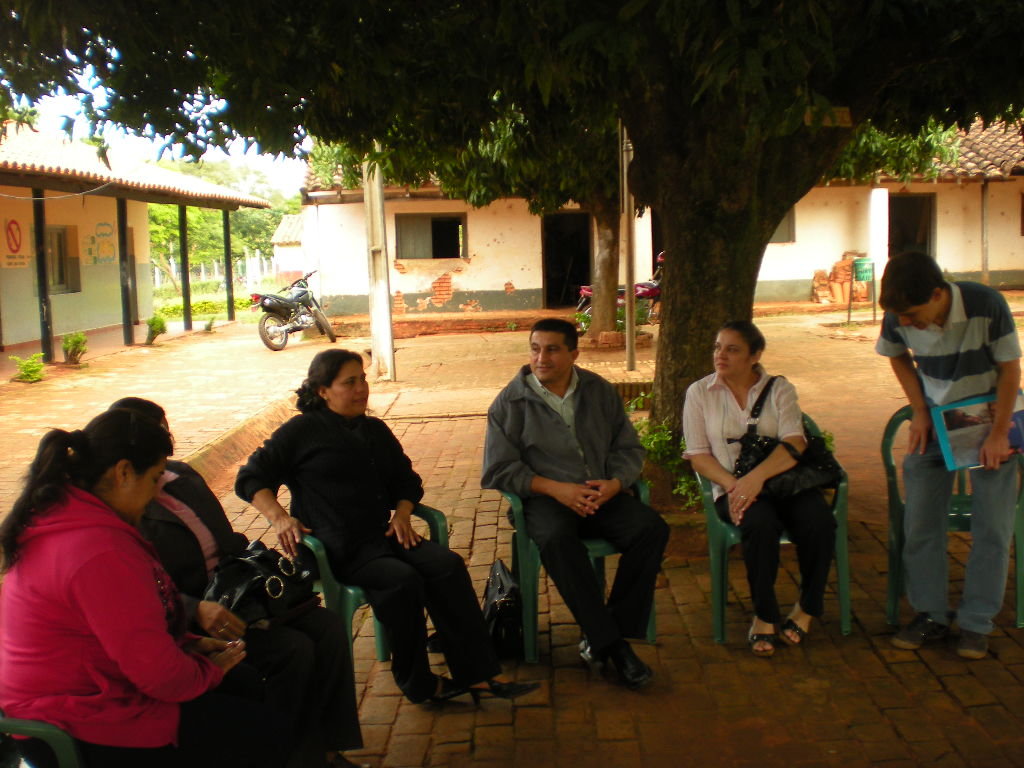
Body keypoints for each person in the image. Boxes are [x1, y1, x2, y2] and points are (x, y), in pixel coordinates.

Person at [235, 349, 537, 705]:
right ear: (322, 391)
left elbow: (406, 481)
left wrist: (403, 513)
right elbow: (251, 477)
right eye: (350, 382)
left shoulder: (374, 429)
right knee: (400, 581)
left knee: (447, 567)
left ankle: (479, 673)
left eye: (363, 379)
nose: (361, 388)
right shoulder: (301, 431)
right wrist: (279, 517)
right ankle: (419, 683)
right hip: (336, 546)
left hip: (383, 535)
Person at [0, 409, 286, 768]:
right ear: (123, 473)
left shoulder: (71, 515)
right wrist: (206, 669)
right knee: (260, 730)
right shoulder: (97, 549)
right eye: (153, 479)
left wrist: (191, 646)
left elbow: (134, 630)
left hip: (88, 689)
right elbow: (159, 677)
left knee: (244, 683)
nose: (155, 493)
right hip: (71, 718)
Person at [107, 398, 363, 768]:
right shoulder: (127, 506)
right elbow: (142, 589)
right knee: (293, 650)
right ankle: (288, 755)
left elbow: (226, 539)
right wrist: (196, 609)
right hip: (197, 612)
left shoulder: (183, 477)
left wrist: (257, 574)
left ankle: (327, 749)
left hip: (239, 593)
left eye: (166, 428)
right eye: (157, 433)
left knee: (327, 627)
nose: (167, 439)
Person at [481, 318, 669, 687]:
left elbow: (628, 447)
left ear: (573, 354)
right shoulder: (510, 402)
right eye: (535, 348)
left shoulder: (599, 391)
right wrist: (556, 489)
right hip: (547, 498)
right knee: (555, 540)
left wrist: (616, 483)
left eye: (552, 349)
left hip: (601, 493)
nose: (541, 357)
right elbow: (499, 469)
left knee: (651, 529)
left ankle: (607, 630)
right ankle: (615, 647)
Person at [876, 251, 1022, 659]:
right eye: (899, 316)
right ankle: (931, 615)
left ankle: (976, 623)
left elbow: (1011, 370)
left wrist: (997, 435)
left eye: (912, 313)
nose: (905, 322)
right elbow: (895, 355)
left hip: (989, 422)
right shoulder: (898, 314)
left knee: (992, 528)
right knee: (920, 522)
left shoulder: (986, 304)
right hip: (938, 425)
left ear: (939, 294)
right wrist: (920, 410)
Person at [682, 320, 836, 657]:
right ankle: (765, 615)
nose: (720, 355)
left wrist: (755, 479)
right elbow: (698, 456)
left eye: (732, 349)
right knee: (759, 524)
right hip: (731, 486)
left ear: (755, 355)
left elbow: (795, 441)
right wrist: (735, 485)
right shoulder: (698, 393)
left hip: (785, 483)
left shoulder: (779, 389)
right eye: (717, 347)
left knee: (820, 522)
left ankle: (808, 608)